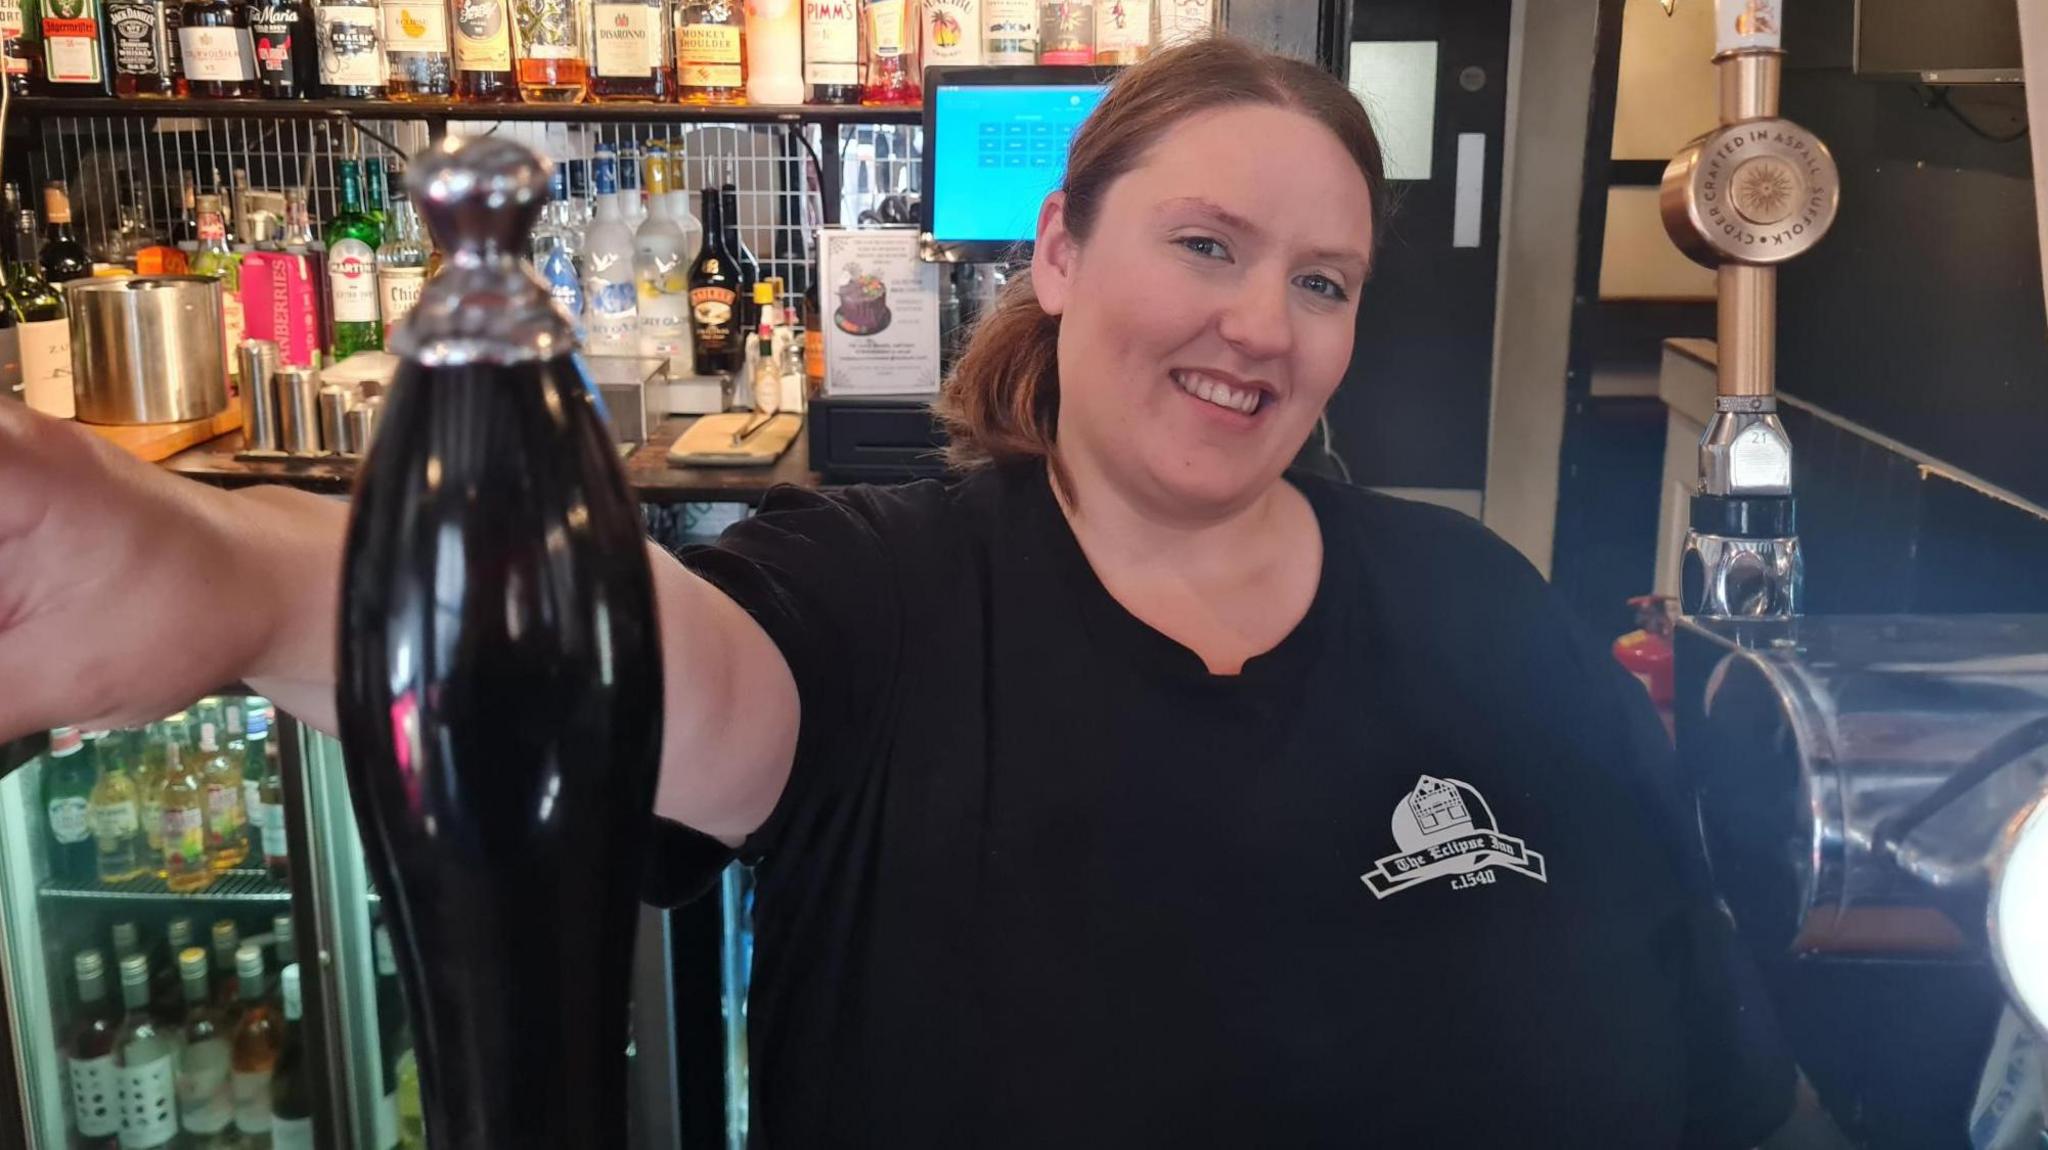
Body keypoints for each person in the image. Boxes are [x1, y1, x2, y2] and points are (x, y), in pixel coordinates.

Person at [0, 38, 1846, 1149]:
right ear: (1058, 254)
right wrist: (227, 572)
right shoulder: (885, 596)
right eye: (1205, 244)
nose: (1259, 325)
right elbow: (625, 662)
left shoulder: (1483, 606)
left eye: (1323, 282)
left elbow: (1722, 1073)